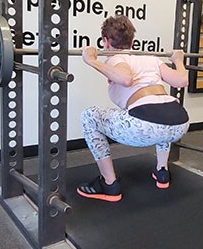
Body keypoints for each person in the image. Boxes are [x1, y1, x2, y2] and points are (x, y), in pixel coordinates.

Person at [77, 15, 190, 202]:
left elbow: (126, 79)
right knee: (160, 108)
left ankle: (109, 184)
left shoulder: (115, 58)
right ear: (133, 41)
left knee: (89, 116)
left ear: (105, 42)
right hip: (178, 125)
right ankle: (162, 172)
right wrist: (178, 60)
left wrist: (91, 61)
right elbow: (182, 80)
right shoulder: (149, 58)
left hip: (144, 127)